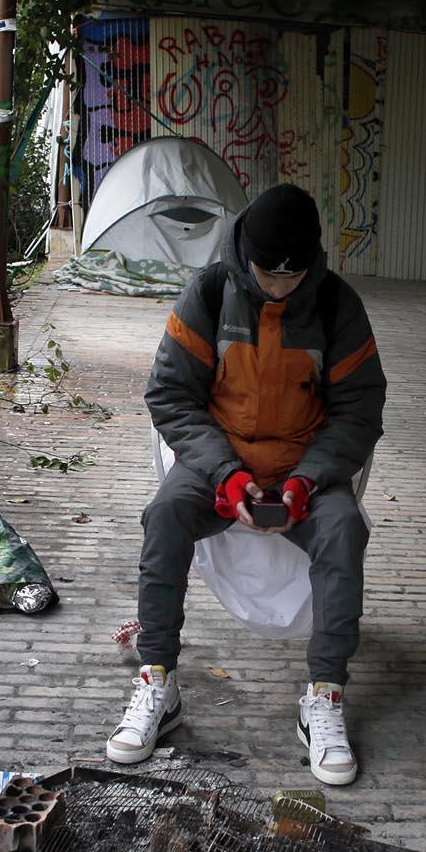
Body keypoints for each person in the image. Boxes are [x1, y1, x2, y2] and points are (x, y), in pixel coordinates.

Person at [106, 182, 387, 785]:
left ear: (312, 261)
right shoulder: (208, 293)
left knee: (343, 530)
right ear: (245, 255)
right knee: (164, 517)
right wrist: (226, 475)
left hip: (303, 466)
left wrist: (308, 481)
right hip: (219, 462)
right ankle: (157, 681)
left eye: (293, 276)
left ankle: (325, 696)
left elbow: (360, 410)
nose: (280, 286)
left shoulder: (338, 305)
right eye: (268, 274)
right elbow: (171, 395)